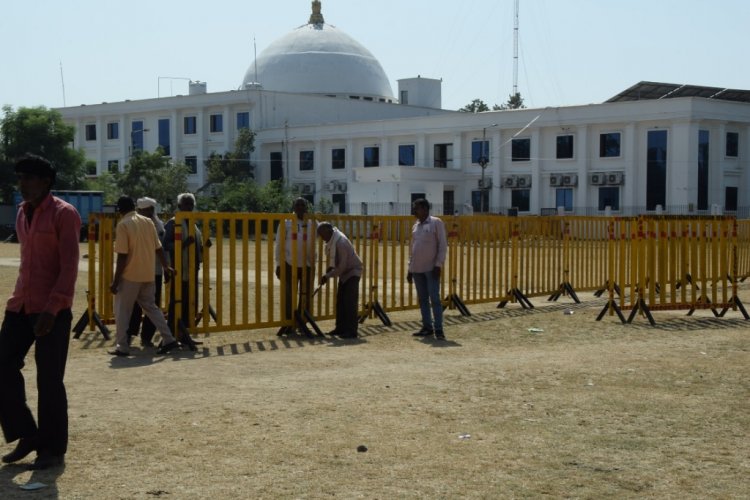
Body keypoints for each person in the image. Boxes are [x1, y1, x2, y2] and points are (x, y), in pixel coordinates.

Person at [0, 154, 81, 470]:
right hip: (20, 305)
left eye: (28, 178)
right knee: (2, 366)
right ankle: (27, 434)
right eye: (20, 178)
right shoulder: (22, 213)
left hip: (52, 310)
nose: (22, 184)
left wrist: (52, 308)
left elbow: (69, 266)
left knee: (49, 381)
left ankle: (52, 448)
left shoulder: (65, 214)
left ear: (45, 181)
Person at [110, 196, 179, 356]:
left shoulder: (123, 225)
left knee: (122, 311)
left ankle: (122, 346)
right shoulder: (148, 222)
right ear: (134, 206)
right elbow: (158, 248)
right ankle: (169, 339)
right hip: (148, 274)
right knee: (152, 308)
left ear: (120, 210)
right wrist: (165, 266)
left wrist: (115, 281)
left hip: (130, 275)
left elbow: (122, 255)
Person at [163, 192, 203, 343]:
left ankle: (185, 333)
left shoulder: (194, 224)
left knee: (190, 301)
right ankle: (173, 333)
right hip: (178, 269)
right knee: (177, 301)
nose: (189, 207)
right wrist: (183, 245)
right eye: (186, 204)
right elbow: (165, 245)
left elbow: (197, 245)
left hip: (192, 270)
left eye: (191, 204)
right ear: (179, 206)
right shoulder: (173, 223)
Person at [407, 198, 448, 340]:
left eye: (416, 208)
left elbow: (442, 245)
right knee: (423, 299)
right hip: (417, 269)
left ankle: (439, 329)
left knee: (435, 299)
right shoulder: (416, 226)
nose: (414, 211)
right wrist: (410, 269)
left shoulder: (436, 222)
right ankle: (427, 327)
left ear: (425, 209)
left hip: (431, 269)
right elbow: (412, 249)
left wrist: (438, 265)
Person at [274, 198, 316, 336]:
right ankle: (288, 323)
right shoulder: (286, 222)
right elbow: (279, 244)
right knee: (288, 295)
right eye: (297, 205)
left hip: (307, 264)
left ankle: (302, 322)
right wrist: (279, 264)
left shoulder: (312, 222)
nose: (300, 207)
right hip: (289, 263)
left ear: (306, 207)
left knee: (306, 294)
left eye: (302, 205)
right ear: (293, 206)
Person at [127, 197, 165, 347]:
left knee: (152, 305)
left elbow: (161, 250)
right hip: (136, 270)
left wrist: (165, 267)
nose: (149, 212)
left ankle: (146, 337)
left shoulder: (159, 226)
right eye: (146, 210)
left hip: (154, 271)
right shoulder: (133, 224)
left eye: (151, 209)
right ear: (139, 210)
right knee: (134, 305)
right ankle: (129, 335)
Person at [316, 222, 363, 339]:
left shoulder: (340, 242)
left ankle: (351, 331)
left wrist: (327, 276)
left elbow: (342, 266)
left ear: (329, 231)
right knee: (341, 301)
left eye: (322, 234)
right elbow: (336, 263)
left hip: (352, 272)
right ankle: (340, 328)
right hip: (345, 273)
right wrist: (329, 271)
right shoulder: (334, 240)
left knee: (349, 303)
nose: (321, 238)